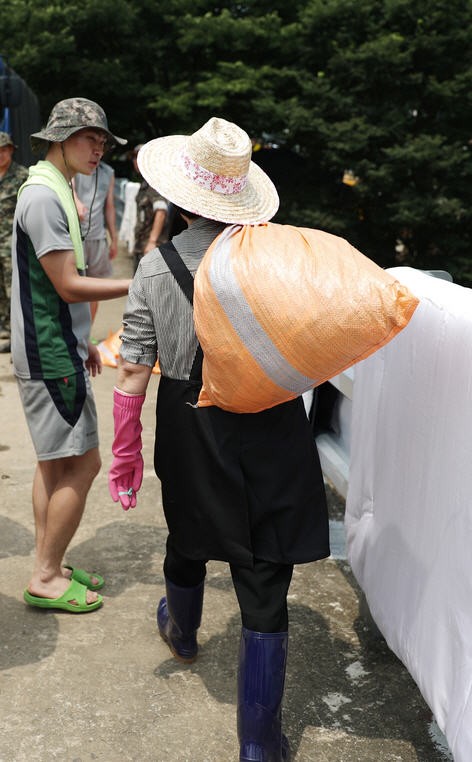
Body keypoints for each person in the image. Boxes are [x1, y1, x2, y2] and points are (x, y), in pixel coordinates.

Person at [109, 117, 330, 760]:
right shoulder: (272, 263)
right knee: (263, 572)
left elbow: (132, 366)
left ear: (177, 201)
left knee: (189, 531)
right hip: (268, 416)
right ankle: (259, 742)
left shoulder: (154, 268)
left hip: (188, 417)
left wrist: (125, 450)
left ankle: (181, 629)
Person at [10, 97, 131, 614]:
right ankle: (44, 576)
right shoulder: (44, 197)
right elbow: (65, 284)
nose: (98, 148)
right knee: (84, 465)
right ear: (59, 138)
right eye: (89, 138)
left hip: (54, 344)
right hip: (49, 352)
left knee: (54, 465)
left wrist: (82, 340)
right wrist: (140, 283)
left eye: (102, 140)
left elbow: (49, 284)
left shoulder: (53, 187)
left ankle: (50, 563)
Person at [73, 160, 118, 322]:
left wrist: (114, 239)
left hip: (98, 237)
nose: (97, 150)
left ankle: (87, 333)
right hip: (75, 237)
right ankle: (75, 332)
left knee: (94, 290)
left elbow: (110, 206)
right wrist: (76, 201)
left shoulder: (108, 172)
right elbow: (69, 188)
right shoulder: (76, 167)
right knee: (74, 288)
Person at [0, 132, 28, 352]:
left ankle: (17, 336)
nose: (0, 155)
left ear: (11, 150)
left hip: (11, 242)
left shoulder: (22, 176)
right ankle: (4, 329)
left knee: (13, 290)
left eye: (4, 150)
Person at [131, 143, 169, 273]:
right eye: (134, 157)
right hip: (141, 244)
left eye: (140, 157)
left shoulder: (155, 183)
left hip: (151, 248)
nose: (136, 161)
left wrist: (152, 241)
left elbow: (161, 212)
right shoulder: (145, 184)